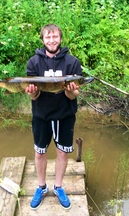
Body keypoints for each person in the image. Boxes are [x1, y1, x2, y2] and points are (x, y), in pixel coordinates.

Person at [25, 24, 82, 210]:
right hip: (41, 115)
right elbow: (34, 96)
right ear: (43, 40)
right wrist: (32, 93)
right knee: (40, 152)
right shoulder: (33, 63)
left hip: (64, 115)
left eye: (55, 37)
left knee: (62, 152)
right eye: (48, 37)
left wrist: (71, 91)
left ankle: (58, 187)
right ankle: (41, 187)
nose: (52, 40)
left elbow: (73, 95)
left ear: (60, 38)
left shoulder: (72, 62)